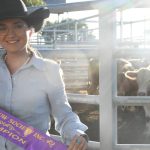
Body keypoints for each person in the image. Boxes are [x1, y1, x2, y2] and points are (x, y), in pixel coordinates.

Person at [0, 0, 88, 150]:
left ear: (31, 30)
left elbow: (63, 114)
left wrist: (78, 134)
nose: (11, 34)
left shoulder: (49, 70)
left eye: (18, 25)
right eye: (2, 28)